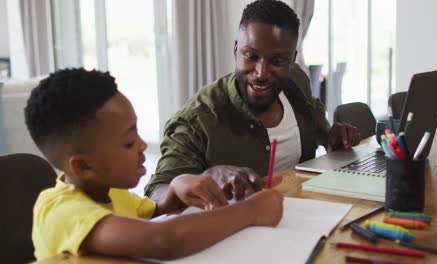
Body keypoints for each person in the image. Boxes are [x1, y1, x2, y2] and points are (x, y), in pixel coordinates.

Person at [25, 68, 283, 261]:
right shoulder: (60, 210)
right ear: (83, 167)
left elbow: (156, 212)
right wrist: (251, 211)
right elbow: (162, 240)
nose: (142, 146)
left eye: (137, 131)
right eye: (128, 143)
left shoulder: (109, 190)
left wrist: (177, 189)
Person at [145, 0, 361, 202]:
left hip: (303, 215)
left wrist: (329, 133)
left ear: (292, 61)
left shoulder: (296, 81)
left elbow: (312, 114)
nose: (261, 73)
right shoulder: (197, 118)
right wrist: (205, 177)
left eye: (277, 61)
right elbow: (156, 194)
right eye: (251, 56)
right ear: (236, 50)